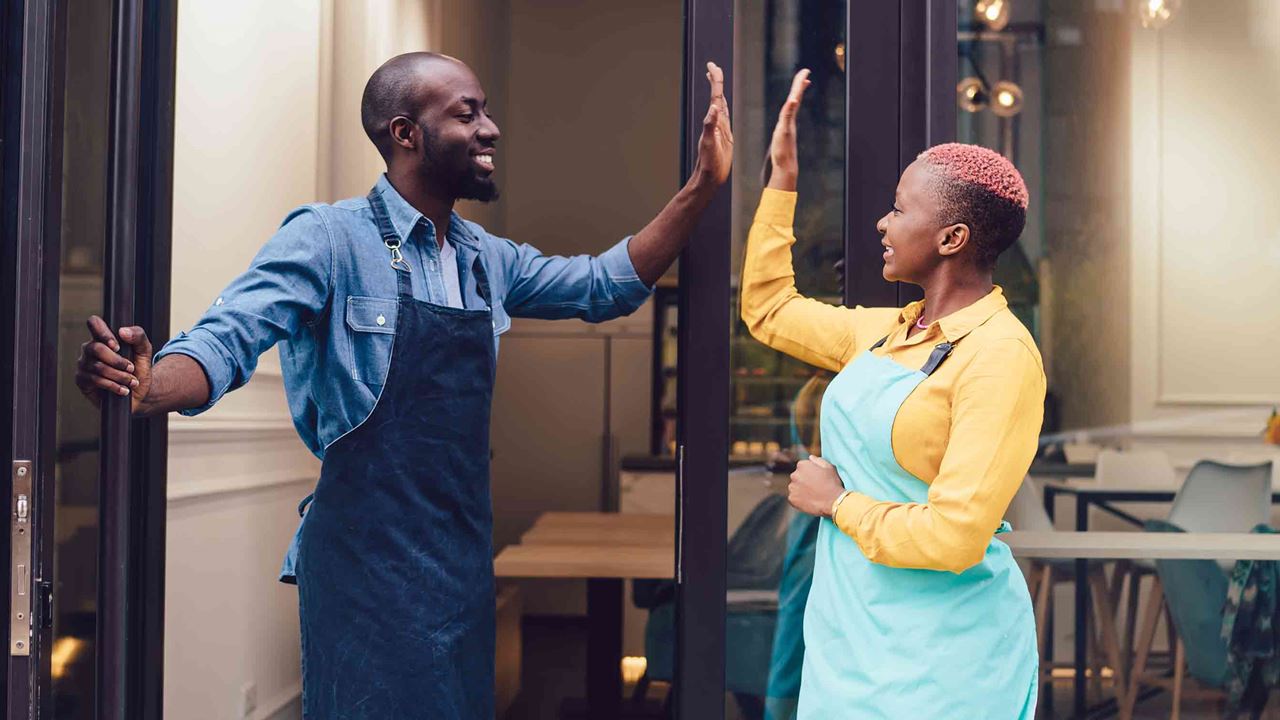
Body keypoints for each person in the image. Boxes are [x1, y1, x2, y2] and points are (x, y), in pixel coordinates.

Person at [74, 52, 733, 719]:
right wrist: (151, 386)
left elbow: (604, 285)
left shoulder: (485, 258)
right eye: (467, 114)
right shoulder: (328, 239)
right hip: (363, 571)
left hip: (461, 565)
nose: (490, 128)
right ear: (406, 133)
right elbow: (227, 338)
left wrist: (701, 187)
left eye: (485, 111)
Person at [741, 69, 1044, 719]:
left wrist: (838, 502)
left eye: (901, 210)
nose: (883, 223)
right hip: (851, 641)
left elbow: (955, 537)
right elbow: (768, 311)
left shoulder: (1000, 356)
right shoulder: (885, 333)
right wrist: (782, 181)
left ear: (952, 238)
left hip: (946, 658)